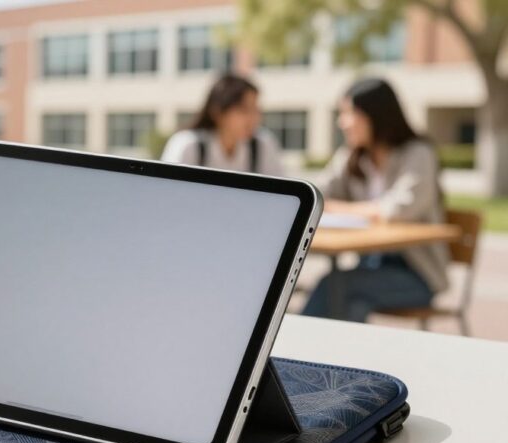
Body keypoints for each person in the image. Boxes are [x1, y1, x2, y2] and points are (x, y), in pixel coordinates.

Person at [302, 78, 449, 322]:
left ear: (375, 115)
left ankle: (291, 345)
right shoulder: (353, 156)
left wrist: (340, 208)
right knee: (352, 303)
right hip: (370, 266)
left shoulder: (418, 153)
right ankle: (326, 348)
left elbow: (399, 209)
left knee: (334, 286)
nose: (342, 122)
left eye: (349, 113)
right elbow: (317, 194)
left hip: (417, 275)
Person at [161, 73, 284, 177]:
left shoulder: (263, 144)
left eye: (256, 110)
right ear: (218, 112)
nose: (254, 118)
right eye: (244, 110)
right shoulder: (188, 145)